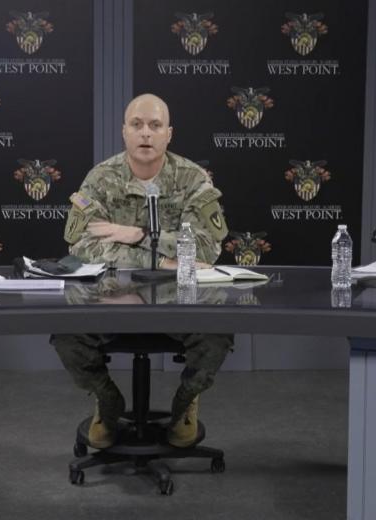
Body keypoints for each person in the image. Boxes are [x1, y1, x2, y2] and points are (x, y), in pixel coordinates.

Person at [51, 93, 233, 449]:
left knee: (217, 332)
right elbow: (82, 246)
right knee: (67, 332)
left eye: (155, 125)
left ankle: (186, 402)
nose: (146, 133)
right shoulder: (101, 178)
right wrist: (160, 259)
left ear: (169, 134)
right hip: (112, 297)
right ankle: (106, 400)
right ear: (124, 131)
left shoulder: (193, 179)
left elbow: (206, 249)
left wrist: (138, 235)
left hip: (179, 299)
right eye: (137, 125)